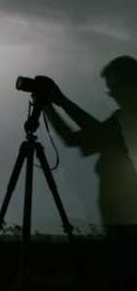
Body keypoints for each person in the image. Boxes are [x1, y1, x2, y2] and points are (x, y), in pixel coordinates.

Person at [43, 55, 137, 289]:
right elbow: (75, 139)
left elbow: (92, 136)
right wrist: (50, 105)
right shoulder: (121, 118)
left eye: (114, 87)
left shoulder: (129, 120)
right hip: (119, 222)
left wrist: (59, 101)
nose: (112, 94)